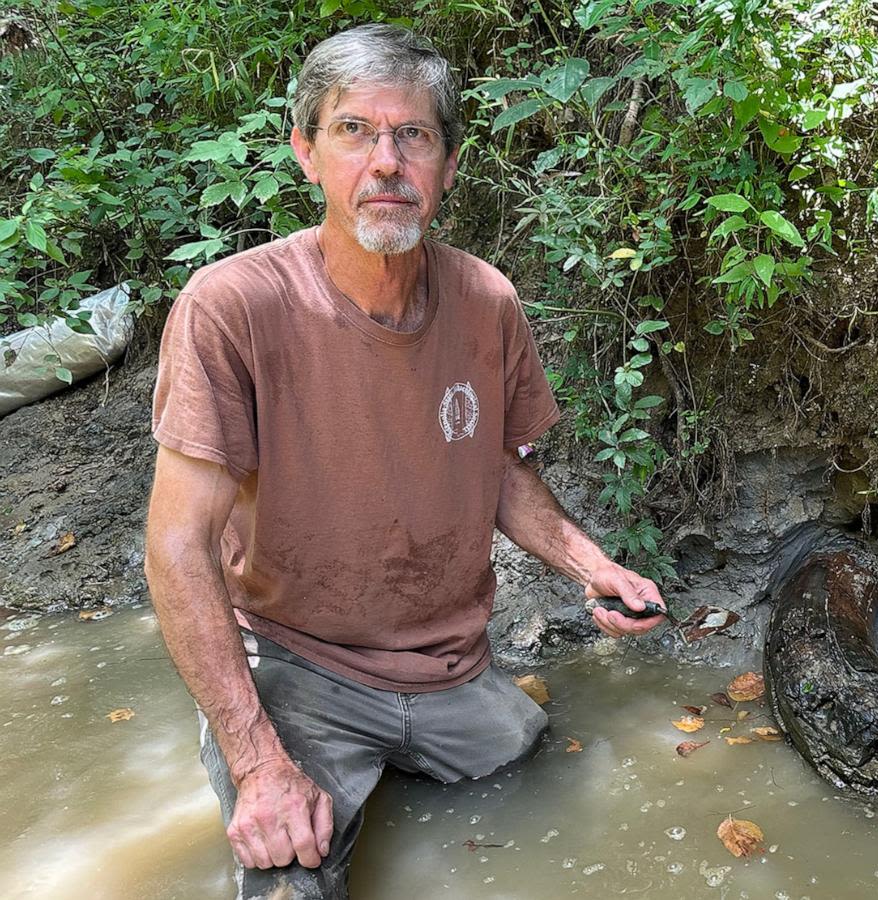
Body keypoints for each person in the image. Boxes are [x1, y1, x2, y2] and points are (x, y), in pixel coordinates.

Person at [143, 24, 665, 900]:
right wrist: (256, 757)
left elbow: (499, 471)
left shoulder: (485, 300)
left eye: (413, 135)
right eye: (354, 130)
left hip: (450, 665)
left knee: (546, 782)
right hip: (296, 663)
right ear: (306, 153)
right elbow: (177, 548)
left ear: (448, 166)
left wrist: (593, 566)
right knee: (290, 876)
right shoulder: (231, 307)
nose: (386, 160)